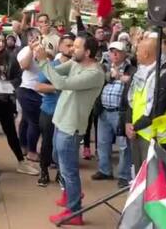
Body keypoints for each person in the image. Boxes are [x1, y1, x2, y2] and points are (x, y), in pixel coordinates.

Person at [33, 33, 105, 225]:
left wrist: (43, 61)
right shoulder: (75, 63)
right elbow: (55, 72)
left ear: (88, 52)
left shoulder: (94, 74)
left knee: (69, 170)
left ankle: (74, 212)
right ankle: (71, 194)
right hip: (60, 121)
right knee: (58, 160)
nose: (72, 49)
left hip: (71, 127)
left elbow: (59, 83)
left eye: (77, 46)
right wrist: (44, 57)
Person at [0, 31, 38, 176]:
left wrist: (10, 85)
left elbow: (19, 76)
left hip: (5, 100)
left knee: (11, 132)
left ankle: (21, 162)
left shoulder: (10, 57)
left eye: (2, 41)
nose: (0, 43)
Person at [125, 36, 166, 170]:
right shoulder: (140, 73)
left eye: (138, 50)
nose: (135, 53)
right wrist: (128, 122)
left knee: (153, 180)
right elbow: (132, 100)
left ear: (146, 53)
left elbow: (157, 110)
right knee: (139, 176)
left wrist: (134, 127)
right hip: (138, 132)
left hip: (155, 138)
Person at [92, 41, 135, 189]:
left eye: (118, 52)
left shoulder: (132, 69)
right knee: (103, 143)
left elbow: (136, 85)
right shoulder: (104, 68)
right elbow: (97, 80)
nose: (114, 54)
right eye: (112, 51)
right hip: (104, 110)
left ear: (124, 54)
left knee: (124, 146)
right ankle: (105, 170)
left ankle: (124, 175)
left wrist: (125, 79)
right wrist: (109, 75)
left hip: (120, 112)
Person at [35, 33, 74, 187]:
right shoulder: (52, 65)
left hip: (68, 114)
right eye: (67, 45)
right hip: (50, 111)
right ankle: (43, 171)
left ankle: (61, 174)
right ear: (60, 46)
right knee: (47, 144)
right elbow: (38, 86)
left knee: (64, 147)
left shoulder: (77, 67)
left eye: (73, 45)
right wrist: (59, 87)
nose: (70, 48)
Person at [16, 28, 43, 162]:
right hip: (27, 89)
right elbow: (24, 66)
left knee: (27, 120)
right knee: (35, 122)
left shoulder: (43, 50)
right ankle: (31, 151)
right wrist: (31, 50)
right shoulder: (24, 51)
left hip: (40, 91)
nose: (36, 39)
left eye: (38, 37)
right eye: (33, 37)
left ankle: (23, 146)